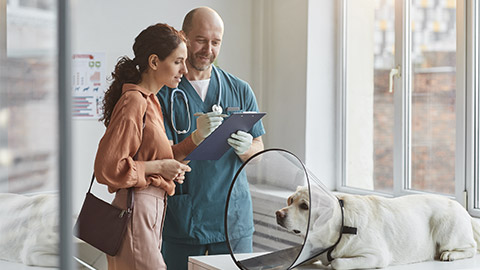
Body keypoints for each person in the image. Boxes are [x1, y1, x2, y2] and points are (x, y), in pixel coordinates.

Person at [156, 7, 266, 270]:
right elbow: (157, 157)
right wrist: (195, 138)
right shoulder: (163, 93)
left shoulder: (239, 90)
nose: (208, 49)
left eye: (215, 42)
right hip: (183, 221)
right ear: (183, 37)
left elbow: (260, 149)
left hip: (232, 222)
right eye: (201, 40)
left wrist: (246, 148)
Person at [94, 23, 208, 270]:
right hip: (136, 210)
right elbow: (108, 167)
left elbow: (161, 156)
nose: (184, 70)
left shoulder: (151, 102)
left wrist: (196, 139)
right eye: (178, 62)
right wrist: (159, 166)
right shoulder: (134, 101)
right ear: (154, 61)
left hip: (151, 211)